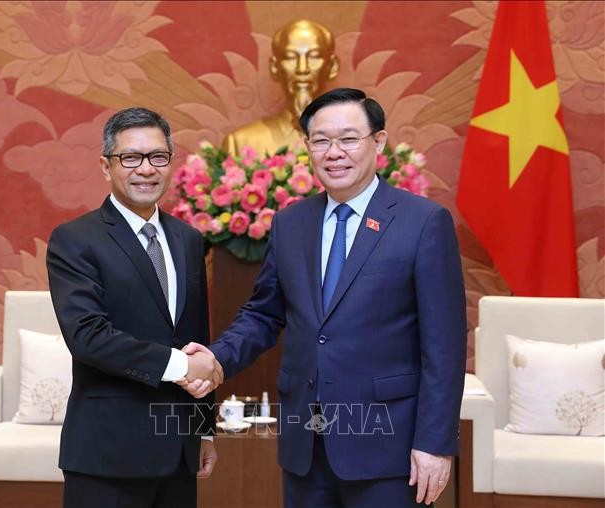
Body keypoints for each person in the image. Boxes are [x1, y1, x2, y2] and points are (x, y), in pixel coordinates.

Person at [182, 88, 467, 507]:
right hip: (305, 448)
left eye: (348, 139)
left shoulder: (422, 222)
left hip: (389, 449)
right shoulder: (291, 223)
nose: (335, 152)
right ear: (308, 147)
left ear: (379, 142)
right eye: (321, 140)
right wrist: (217, 360)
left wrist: (435, 443)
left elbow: (445, 345)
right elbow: (263, 314)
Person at [46, 107, 223, 508]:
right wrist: (179, 366)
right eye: (131, 158)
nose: (146, 169)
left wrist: (203, 429)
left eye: (158, 157)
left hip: (178, 451)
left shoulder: (188, 239)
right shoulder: (75, 240)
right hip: (108, 454)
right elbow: (87, 337)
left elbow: (196, 337)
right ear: (107, 167)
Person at [222, 19, 339, 157]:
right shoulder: (241, 143)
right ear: (275, 67)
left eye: (314, 57)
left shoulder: (358, 143)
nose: (302, 69)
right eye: (290, 58)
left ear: (332, 67)